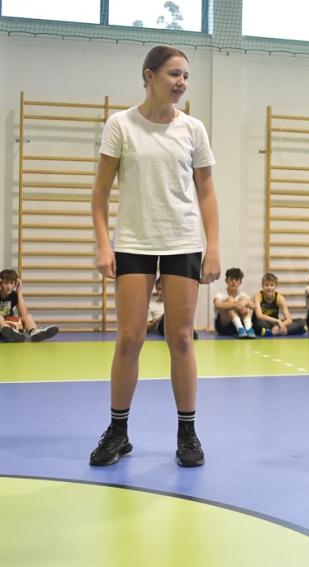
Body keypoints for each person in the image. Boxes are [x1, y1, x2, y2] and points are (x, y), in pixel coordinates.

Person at [89, 45, 221, 468]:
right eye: (173, 74)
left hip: (183, 240)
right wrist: (104, 243)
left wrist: (213, 247)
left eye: (185, 76)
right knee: (130, 338)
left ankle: (187, 434)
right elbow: (99, 194)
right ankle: (118, 431)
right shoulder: (120, 125)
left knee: (181, 338)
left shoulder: (193, 129)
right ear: (150, 76)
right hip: (134, 242)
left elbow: (207, 193)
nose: (181, 82)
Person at [0, 269, 59, 342]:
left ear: (15, 284)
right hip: (2, 326)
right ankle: (6, 329)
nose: (9, 286)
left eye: (12, 283)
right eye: (5, 283)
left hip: (10, 324)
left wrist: (19, 293)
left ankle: (34, 332)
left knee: (28, 316)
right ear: (0, 283)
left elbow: (23, 313)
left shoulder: (14, 295)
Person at [252, 272, 307, 336]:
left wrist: (279, 325)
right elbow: (259, 316)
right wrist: (278, 321)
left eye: (272, 285)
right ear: (262, 286)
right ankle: (284, 332)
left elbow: (289, 319)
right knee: (259, 324)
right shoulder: (258, 296)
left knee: (301, 321)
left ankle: (273, 332)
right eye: (266, 285)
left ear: (275, 286)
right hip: (264, 323)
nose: (269, 288)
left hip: (274, 324)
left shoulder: (279, 298)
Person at [213, 267, 257, 339]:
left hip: (239, 328)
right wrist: (235, 305)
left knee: (243, 300)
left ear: (240, 282)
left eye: (236, 280)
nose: (233, 282)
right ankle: (240, 328)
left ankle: (248, 329)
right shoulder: (221, 294)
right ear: (226, 281)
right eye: (231, 279)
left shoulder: (242, 295)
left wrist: (245, 302)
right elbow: (217, 304)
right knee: (229, 299)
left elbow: (254, 306)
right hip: (223, 327)